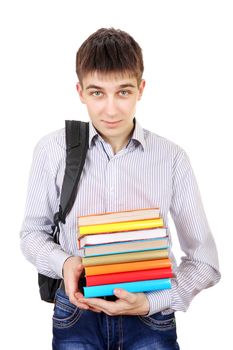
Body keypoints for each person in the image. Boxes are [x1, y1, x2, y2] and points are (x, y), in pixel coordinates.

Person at [20, 28, 221, 350]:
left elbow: (205, 260)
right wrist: (65, 263)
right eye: (97, 93)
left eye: (123, 92)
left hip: (151, 317)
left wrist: (154, 301)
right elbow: (32, 234)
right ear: (80, 91)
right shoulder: (51, 150)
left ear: (141, 89)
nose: (111, 110)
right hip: (76, 313)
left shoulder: (171, 158)